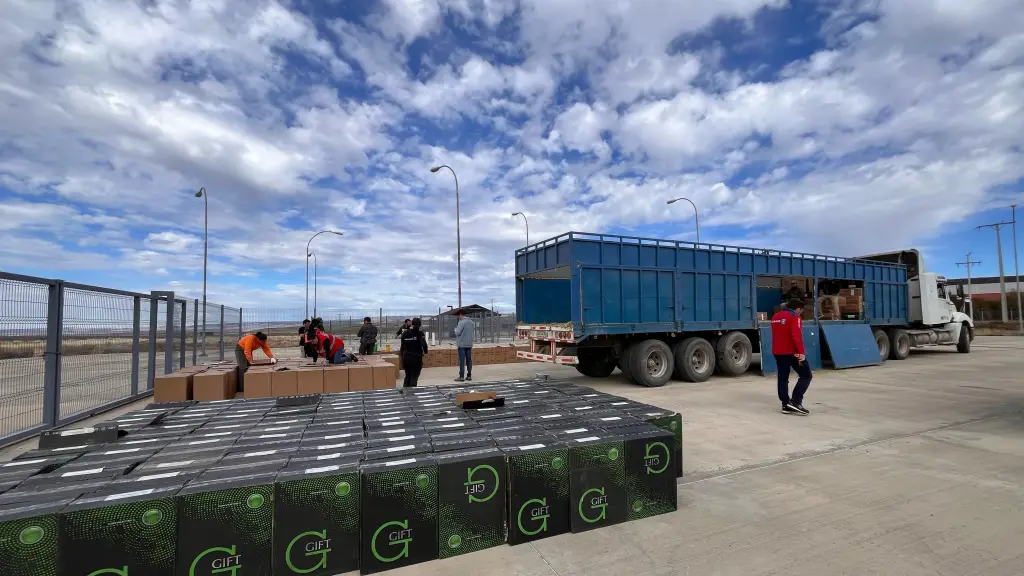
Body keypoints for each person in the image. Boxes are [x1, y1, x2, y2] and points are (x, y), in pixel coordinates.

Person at [771, 298, 811, 415]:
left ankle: (785, 404)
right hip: (793, 353)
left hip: (778, 352)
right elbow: (796, 336)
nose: (800, 313)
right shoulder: (794, 317)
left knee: (783, 378)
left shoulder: (775, 317)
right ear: (798, 309)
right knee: (806, 375)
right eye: (801, 311)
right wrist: (801, 353)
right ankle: (796, 402)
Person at [400, 317, 428, 387]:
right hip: (416, 358)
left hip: (406, 357)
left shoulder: (405, 333)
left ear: (412, 323)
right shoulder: (420, 333)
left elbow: (402, 346)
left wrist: (402, 357)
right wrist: (425, 351)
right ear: (420, 325)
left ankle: (405, 391)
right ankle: (412, 392)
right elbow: (424, 344)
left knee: (407, 375)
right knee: (414, 377)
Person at [454, 310, 475, 382]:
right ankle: (469, 375)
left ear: (460, 315)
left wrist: (455, 330)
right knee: (469, 360)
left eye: (458, 316)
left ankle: (461, 376)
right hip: (469, 344)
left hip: (462, 344)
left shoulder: (461, 322)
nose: (458, 317)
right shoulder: (471, 322)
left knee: (462, 361)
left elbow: (458, 333)